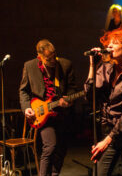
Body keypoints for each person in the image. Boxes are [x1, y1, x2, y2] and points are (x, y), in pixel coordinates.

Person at [84, 29, 122, 176]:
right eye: (109, 43)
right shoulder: (105, 68)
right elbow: (89, 96)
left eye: (115, 43)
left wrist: (107, 140)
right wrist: (93, 65)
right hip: (110, 130)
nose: (110, 46)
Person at [19, 39, 77, 176]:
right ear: (39, 56)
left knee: (61, 150)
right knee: (50, 146)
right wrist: (26, 107)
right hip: (42, 113)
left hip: (62, 113)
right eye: (48, 59)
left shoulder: (65, 65)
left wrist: (67, 101)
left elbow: (72, 90)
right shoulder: (29, 66)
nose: (52, 61)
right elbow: (23, 91)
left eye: (53, 56)